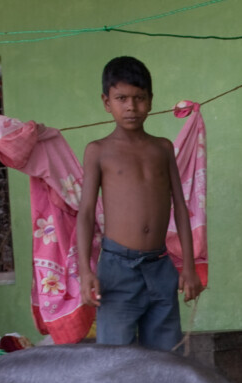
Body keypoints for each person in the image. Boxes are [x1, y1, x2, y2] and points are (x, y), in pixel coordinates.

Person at [77, 56, 202, 352]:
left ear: (150, 100)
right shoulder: (99, 151)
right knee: (115, 363)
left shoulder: (162, 148)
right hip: (116, 271)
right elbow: (85, 214)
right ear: (107, 102)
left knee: (167, 361)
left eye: (139, 98)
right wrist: (85, 270)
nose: (131, 107)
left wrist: (189, 266)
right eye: (121, 98)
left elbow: (181, 208)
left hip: (160, 268)